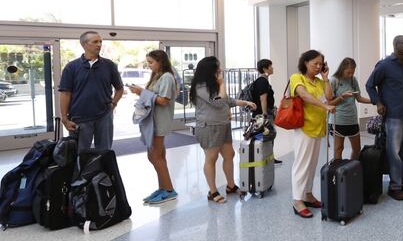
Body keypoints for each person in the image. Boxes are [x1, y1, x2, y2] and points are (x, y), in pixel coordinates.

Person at [190, 56, 256, 204]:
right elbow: (219, 103)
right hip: (209, 127)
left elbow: (228, 101)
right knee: (211, 159)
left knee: (229, 154)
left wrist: (245, 102)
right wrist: (222, 83)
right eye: (217, 68)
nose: (220, 70)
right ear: (209, 70)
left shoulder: (215, 86)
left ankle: (231, 186)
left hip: (223, 125)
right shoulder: (200, 87)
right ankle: (212, 191)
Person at [366, 35, 403, 201]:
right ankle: (394, 186)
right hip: (394, 115)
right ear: (396, 45)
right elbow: (370, 85)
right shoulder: (384, 65)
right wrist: (378, 103)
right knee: (394, 151)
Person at [58, 31, 124, 152]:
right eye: (95, 42)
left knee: (104, 153)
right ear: (84, 44)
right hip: (79, 118)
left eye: (100, 42)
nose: (99, 44)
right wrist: (64, 118)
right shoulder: (71, 67)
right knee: (79, 154)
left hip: (104, 117)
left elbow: (120, 89)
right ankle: (80, 172)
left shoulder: (109, 65)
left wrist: (113, 104)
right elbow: (65, 94)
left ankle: (102, 171)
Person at [290, 50, 336, 218]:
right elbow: (303, 95)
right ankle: (297, 200)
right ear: (305, 63)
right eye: (314, 64)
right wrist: (324, 107)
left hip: (318, 128)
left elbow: (329, 97)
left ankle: (308, 194)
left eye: (320, 64)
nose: (318, 67)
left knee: (312, 165)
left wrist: (325, 78)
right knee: (302, 165)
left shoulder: (318, 81)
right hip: (304, 128)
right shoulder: (297, 78)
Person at [129, 50, 178, 204]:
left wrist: (142, 92)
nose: (148, 65)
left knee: (154, 156)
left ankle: (169, 190)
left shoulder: (167, 77)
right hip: (154, 120)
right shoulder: (158, 76)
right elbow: (153, 97)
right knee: (159, 156)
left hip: (159, 121)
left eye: (151, 62)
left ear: (160, 62)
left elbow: (163, 100)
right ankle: (163, 188)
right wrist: (141, 93)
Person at [326, 58, 372, 160]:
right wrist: (342, 96)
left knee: (356, 149)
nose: (351, 75)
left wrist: (375, 101)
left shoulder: (353, 80)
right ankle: (338, 173)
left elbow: (359, 98)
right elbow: (329, 103)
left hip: (352, 120)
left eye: (352, 72)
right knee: (339, 148)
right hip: (338, 120)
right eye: (348, 72)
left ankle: (351, 171)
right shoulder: (334, 80)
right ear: (342, 69)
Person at [249, 58, 282, 164]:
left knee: (267, 136)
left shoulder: (262, 80)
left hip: (261, 113)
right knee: (267, 136)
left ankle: (269, 158)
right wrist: (265, 114)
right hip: (262, 114)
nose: (272, 68)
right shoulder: (262, 81)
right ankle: (266, 158)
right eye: (270, 66)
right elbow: (263, 98)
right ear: (265, 68)